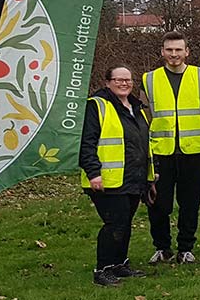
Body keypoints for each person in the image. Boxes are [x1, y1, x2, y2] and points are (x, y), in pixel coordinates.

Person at [141, 31, 200, 264]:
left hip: (194, 152)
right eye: (169, 50)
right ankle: (162, 247)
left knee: (190, 203)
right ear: (162, 52)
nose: (174, 54)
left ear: (187, 52)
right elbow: (145, 114)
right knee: (158, 204)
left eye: (178, 50)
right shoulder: (149, 79)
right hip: (160, 152)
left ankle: (186, 247)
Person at [79, 65, 155, 286]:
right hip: (107, 179)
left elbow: (143, 143)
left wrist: (150, 177)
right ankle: (102, 269)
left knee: (125, 222)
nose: (124, 83)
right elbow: (86, 142)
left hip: (134, 177)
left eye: (128, 80)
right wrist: (93, 173)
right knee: (115, 223)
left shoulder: (136, 107)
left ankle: (120, 264)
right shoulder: (96, 106)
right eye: (118, 79)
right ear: (107, 82)